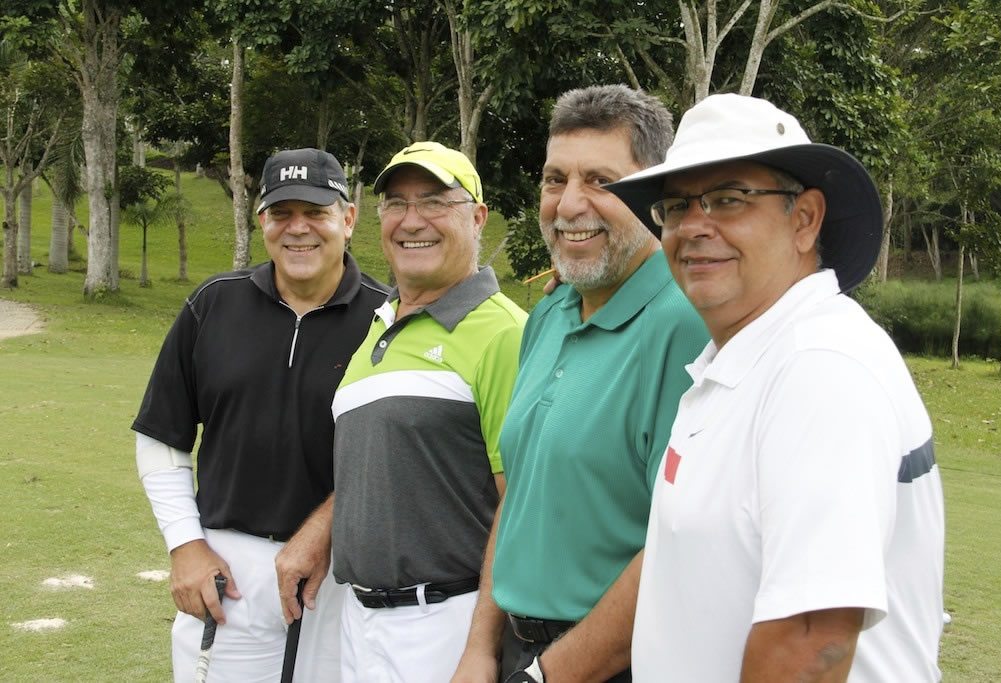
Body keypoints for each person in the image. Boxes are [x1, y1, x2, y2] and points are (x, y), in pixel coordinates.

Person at [608, 93, 945, 681]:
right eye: (676, 206)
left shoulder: (819, 369)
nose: (694, 227)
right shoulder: (745, 361)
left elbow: (813, 645)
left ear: (805, 219)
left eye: (729, 199)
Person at [454, 85, 709, 683]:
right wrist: (481, 647)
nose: (569, 204)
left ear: (654, 195)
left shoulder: (688, 325)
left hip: (613, 662)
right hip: (520, 652)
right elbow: (521, 494)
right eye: (555, 179)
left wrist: (550, 675)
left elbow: (678, 548)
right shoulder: (550, 313)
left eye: (600, 181)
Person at [274, 141, 527, 682]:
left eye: (434, 201)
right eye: (396, 203)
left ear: (477, 218)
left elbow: (521, 505)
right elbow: (390, 465)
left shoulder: (504, 332)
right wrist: (323, 529)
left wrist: (481, 648)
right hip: (358, 622)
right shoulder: (380, 324)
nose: (412, 221)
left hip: (446, 623)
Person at [132, 148, 387, 682]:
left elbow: (397, 460)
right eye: (281, 213)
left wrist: (325, 532)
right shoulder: (213, 304)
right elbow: (162, 436)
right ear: (261, 220)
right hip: (230, 575)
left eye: (315, 212)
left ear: (348, 218)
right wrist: (186, 545)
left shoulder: (389, 319)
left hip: (344, 576)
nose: (298, 228)